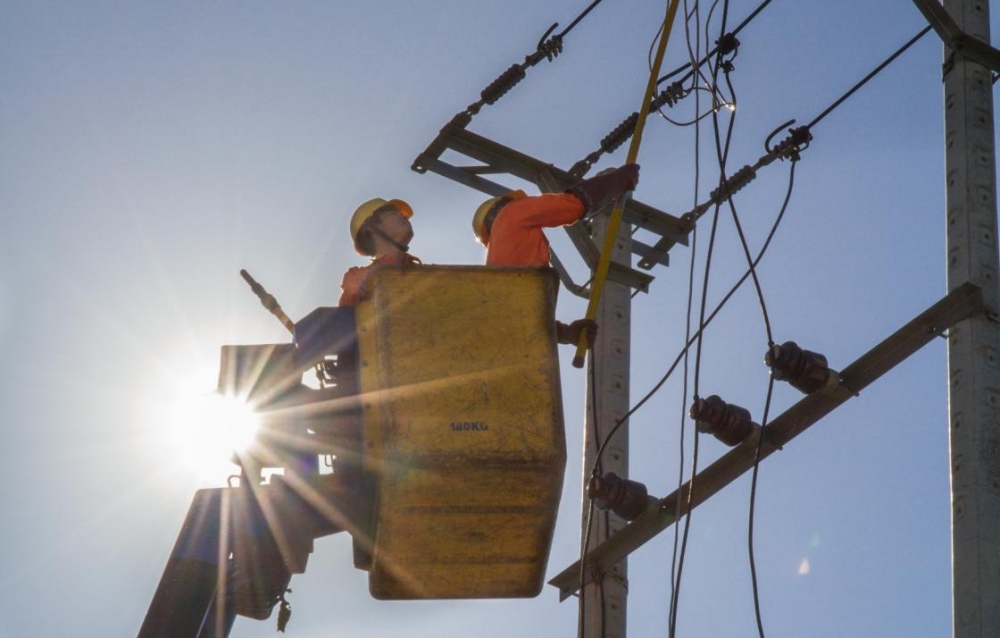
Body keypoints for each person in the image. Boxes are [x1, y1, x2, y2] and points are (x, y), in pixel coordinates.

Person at [471, 164, 640, 346]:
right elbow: (571, 205)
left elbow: (522, 324)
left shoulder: (495, 266)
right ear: (500, 206)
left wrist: (567, 333)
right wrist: (617, 181)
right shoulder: (511, 213)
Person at [339, 197, 422, 306]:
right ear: (372, 230)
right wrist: (353, 293)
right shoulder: (361, 282)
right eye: (393, 213)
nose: (403, 215)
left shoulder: (421, 272)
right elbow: (346, 319)